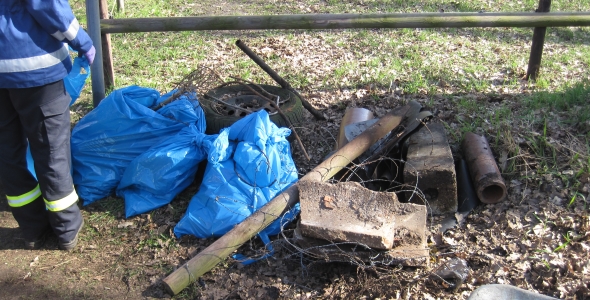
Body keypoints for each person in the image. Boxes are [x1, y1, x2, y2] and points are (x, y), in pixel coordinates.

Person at [0, 0, 95, 250]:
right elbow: (47, 6)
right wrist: (82, 42)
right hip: (34, 67)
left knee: (7, 154)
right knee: (52, 150)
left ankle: (31, 228)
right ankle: (66, 229)